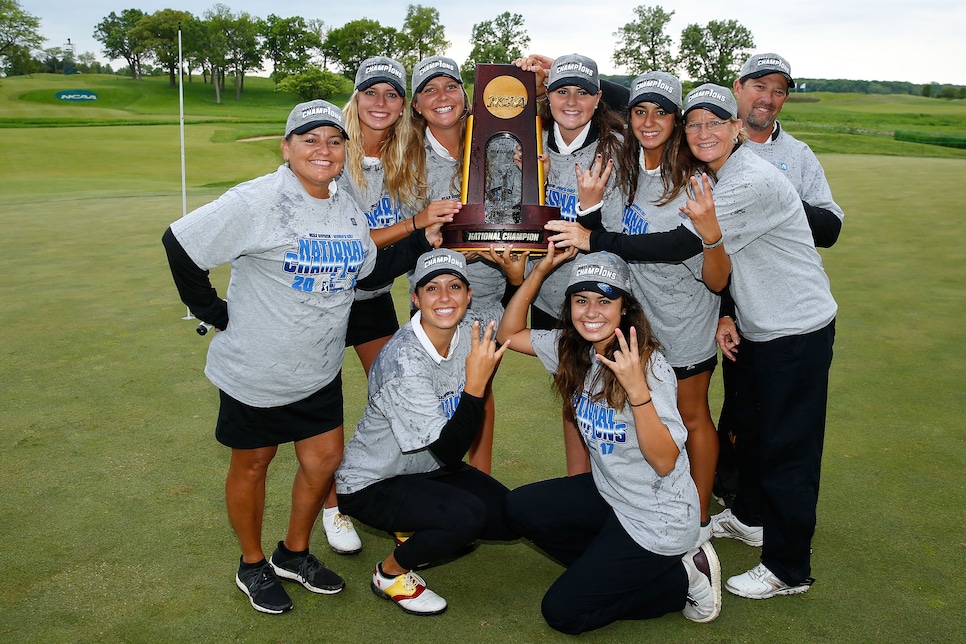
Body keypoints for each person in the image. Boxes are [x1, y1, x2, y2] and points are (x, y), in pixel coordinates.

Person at [161, 100, 440, 614]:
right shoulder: (257, 200)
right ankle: (251, 564)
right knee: (254, 464)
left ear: (344, 151)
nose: (323, 150)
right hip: (257, 370)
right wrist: (214, 311)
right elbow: (180, 243)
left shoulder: (343, 206)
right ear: (287, 148)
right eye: (309, 139)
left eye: (334, 141)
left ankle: (292, 553)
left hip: (317, 368)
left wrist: (424, 234)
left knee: (323, 461)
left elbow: (369, 274)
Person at [544, 71, 730, 545]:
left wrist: (594, 234)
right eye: (640, 111)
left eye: (662, 112)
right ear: (628, 118)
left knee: (690, 417)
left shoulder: (695, 176)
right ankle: (624, 503)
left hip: (683, 318)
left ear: (677, 120)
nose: (649, 122)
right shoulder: (624, 166)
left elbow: (675, 245)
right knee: (629, 412)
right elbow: (600, 242)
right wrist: (587, 210)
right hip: (635, 320)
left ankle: (700, 516)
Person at [497, 249, 721, 633]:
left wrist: (638, 393)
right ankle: (609, 566)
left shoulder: (647, 366)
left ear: (625, 309)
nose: (591, 312)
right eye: (580, 301)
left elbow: (666, 461)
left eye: (605, 300)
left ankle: (683, 579)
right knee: (519, 507)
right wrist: (540, 271)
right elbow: (509, 333)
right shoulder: (575, 349)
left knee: (563, 613)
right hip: (611, 494)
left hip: (656, 518)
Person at [678, 84, 837, 599]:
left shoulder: (749, 181)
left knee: (790, 447)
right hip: (759, 324)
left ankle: (789, 569)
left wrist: (597, 236)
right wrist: (728, 314)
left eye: (715, 123)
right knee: (756, 433)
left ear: (736, 129)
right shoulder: (720, 174)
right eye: (694, 124)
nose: (704, 133)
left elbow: (688, 247)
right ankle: (750, 517)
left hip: (796, 329)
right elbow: (727, 259)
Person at [335, 249, 517, 616]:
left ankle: (413, 524)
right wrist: (476, 388)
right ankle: (390, 574)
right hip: (373, 483)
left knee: (509, 516)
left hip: (424, 469)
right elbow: (450, 451)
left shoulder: (470, 328)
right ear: (416, 299)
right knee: (466, 519)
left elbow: (509, 316)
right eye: (432, 288)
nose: (445, 297)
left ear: (469, 295)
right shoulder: (402, 360)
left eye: (454, 286)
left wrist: (516, 279)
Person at [713, 52, 845, 508]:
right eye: (758, 86)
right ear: (738, 87)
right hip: (738, 310)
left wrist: (775, 199)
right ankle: (740, 500)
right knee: (742, 413)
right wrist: (723, 313)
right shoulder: (709, 143)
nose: (767, 98)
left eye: (779, 91)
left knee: (783, 427)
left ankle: (775, 525)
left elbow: (830, 227)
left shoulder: (796, 156)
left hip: (787, 311)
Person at [516, 53, 627, 477]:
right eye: (561, 90)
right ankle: (577, 486)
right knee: (572, 397)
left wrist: (559, 59)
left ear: (599, 99)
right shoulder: (529, 140)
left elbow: (639, 96)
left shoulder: (618, 144)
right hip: (549, 294)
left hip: (600, 295)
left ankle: (616, 487)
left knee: (612, 397)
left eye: (584, 92)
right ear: (547, 96)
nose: (572, 101)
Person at [406, 55, 508, 473]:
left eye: (450, 86)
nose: (442, 96)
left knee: (479, 394)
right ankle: (426, 490)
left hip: (485, 296)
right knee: (429, 397)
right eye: (429, 89)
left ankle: (477, 487)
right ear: (415, 104)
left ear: (466, 96)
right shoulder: (406, 154)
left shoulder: (498, 141)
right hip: (435, 300)